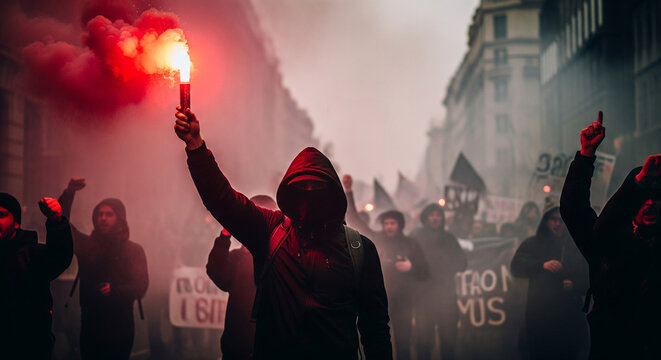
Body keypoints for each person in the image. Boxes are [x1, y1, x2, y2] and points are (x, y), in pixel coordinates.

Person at [174, 107, 392, 359]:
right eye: (302, 190)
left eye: (317, 190)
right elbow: (222, 199)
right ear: (290, 194)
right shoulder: (270, 230)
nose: (310, 199)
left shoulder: (359, 249)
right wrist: (196, 147)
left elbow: (375, 327)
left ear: (333, 196)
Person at [560, 111, 661, 359]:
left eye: (656, 198)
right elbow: (575, 210)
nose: (649, 204)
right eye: (642, 197)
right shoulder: (610, 246)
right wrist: (585, 158)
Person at [58, 178, 149, 360]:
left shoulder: (133, 250)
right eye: (100, 214)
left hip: (120, 325)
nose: (103, 218)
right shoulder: (87, 245)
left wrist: (114, 291)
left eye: (109, 214)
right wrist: (68, 194)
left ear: (120, 219)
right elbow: (61, 226)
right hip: (91, 324)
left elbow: (141, 286)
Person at [343, 174, 427, 360]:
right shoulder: (377, 239)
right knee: (377, 339)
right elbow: (355, 219)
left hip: (404, 301)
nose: (389, 227)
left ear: (399, 224)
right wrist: (349, 192)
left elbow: (425, 270)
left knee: (404, 342)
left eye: (393, 223)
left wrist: (411, 266)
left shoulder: (410, 244)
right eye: (386, 223)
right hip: (379, 299)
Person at [511, 201, 589, 360]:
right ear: (545, 221)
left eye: (561, 220)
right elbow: (516, 266)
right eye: (554, 219)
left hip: (569, 318)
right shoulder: (532, 244)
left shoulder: (574, 246)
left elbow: (588, 277)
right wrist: (541, 265)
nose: (558, 224)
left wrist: (574, 285)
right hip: (540, 317)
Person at [0, 193, 73, 359]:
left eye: (2, 215)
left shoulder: (32, 255)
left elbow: (59, 256)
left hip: (27, 348)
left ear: (16, 223)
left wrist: (56, 222)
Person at [206, 195, 278, 360]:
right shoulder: (238, 258)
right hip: (236, 350)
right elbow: (216, 271)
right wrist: (225, 235)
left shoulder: (282, 258)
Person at [410, 203, 466, 360]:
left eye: (438, 215)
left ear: (442, 218)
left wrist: (447, 269)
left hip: (446, 297)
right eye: (431, 215)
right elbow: (410, 263)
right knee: (423, 343)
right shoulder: (417, 237)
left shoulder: (449, 238)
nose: (435, 218)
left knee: (448, 343)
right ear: (426, 218)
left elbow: (462, 262)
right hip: (423, 298)